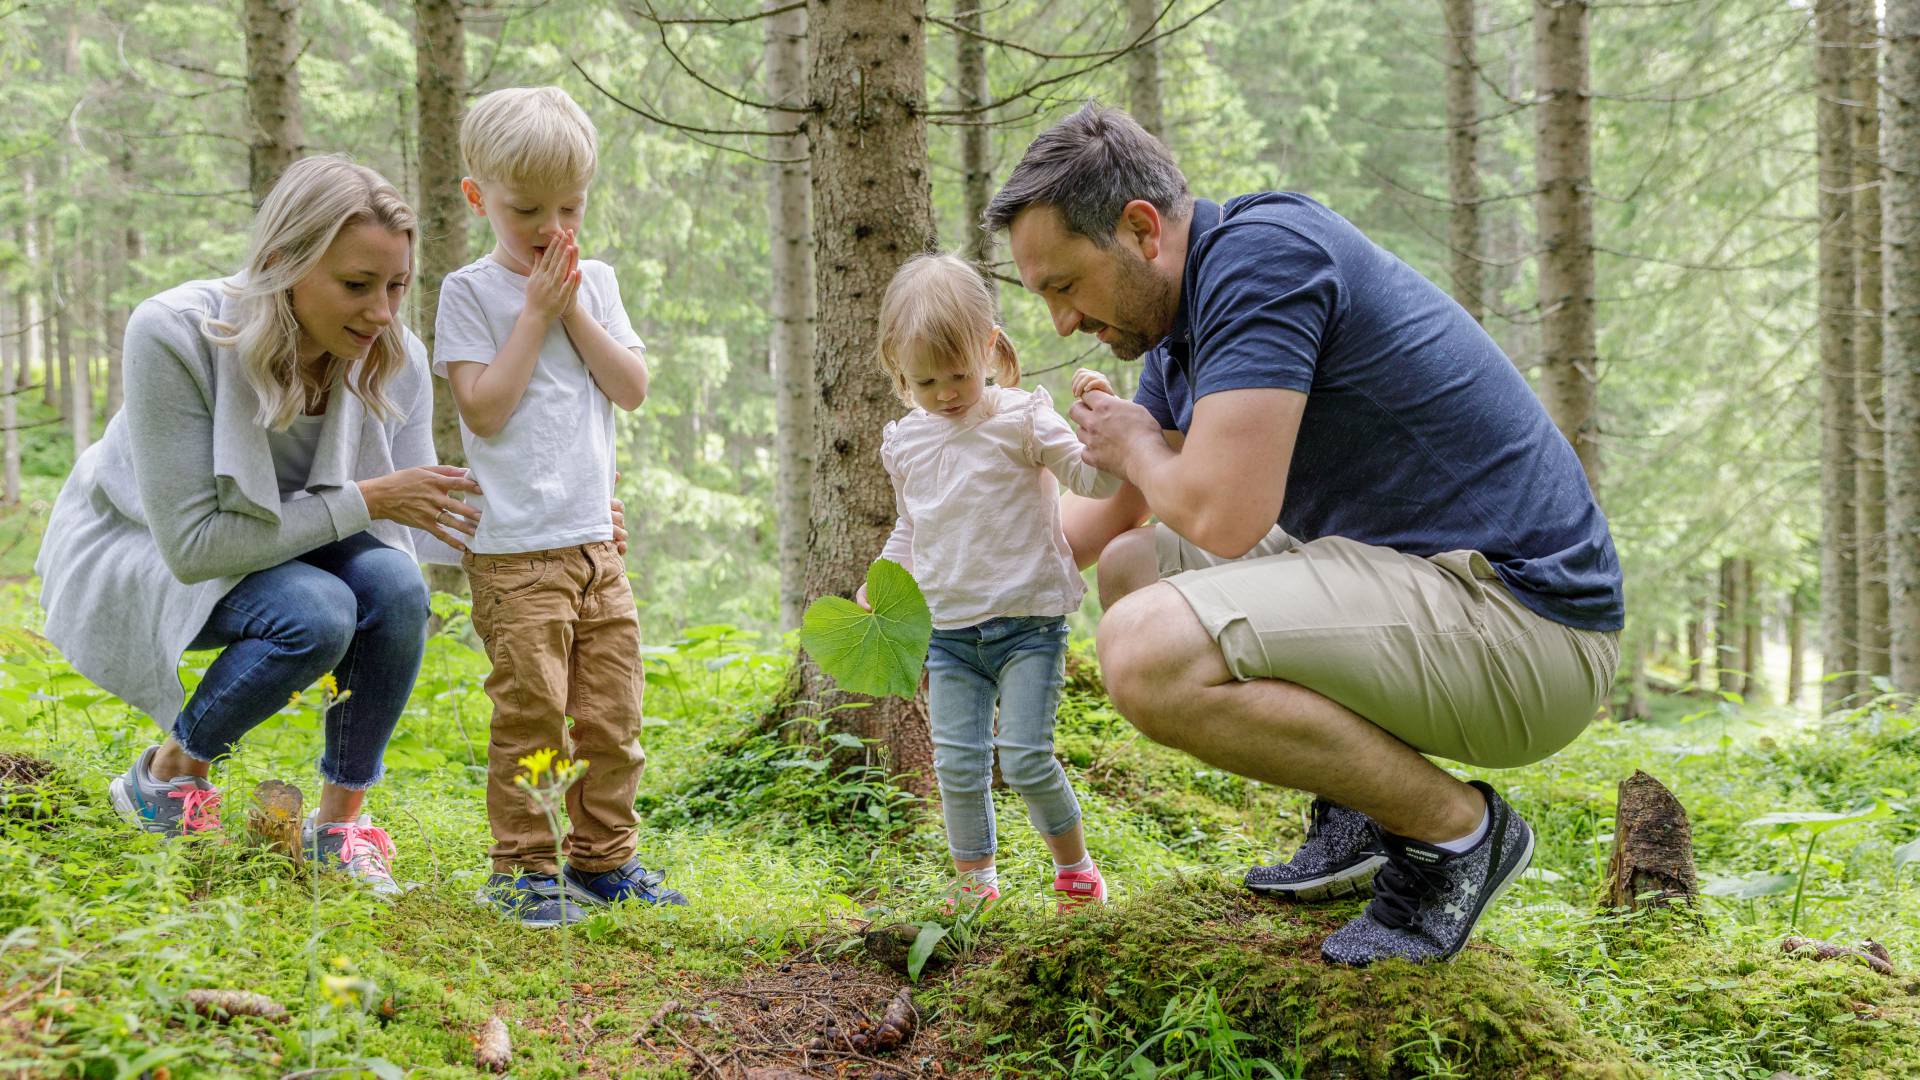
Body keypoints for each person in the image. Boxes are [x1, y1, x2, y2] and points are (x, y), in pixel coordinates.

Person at [985, 104, 1623, 965]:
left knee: (1142, 649)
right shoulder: (1179, 339)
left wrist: (1136, 440)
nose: (1061, 322)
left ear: (1140, 229)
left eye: (1065, 285)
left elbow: (1223, 514)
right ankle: (1366, 812)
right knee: (1139, 570)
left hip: (1527, 623)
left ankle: (1457, 838)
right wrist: (941, 576)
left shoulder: (1264, 258)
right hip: (1425, 585)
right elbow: (1107, 526)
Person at [36, 156, 481, 895]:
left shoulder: (388, 353)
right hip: (148, 547)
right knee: (318, 609)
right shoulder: (175, 333)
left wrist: (570, 524)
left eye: (397, 286)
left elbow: (422, 508)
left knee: (396, 583)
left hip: (291, 543)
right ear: (282, 263)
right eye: (356, 285)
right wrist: (369, 500)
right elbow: (196, 547)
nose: (382, 312)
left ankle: (339, 827)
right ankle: (168, 777)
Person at [434, 86, 682, 929]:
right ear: (478, 197)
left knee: (613, 717)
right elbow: (485, 409)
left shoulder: (596, 282)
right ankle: (522, 869)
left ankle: (605, 861)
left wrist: (571, 302)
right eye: (525, 208)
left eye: (568, 207)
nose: (549, 225)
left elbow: (632, 387)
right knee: (533, 714)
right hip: (513, 549)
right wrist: (536, 313)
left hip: (594, 543)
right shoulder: (468, 293)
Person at [862, 252, 1121, 911]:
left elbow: (1095, 481)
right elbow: (912, 528)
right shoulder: (908, 443)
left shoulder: (1022, 419)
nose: (947, 393)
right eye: (926, 381)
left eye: (958, 374)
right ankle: (976, 884)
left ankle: (1077, 871)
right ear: (898, 369)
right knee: (957, 766)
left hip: (1029, 624)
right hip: (949, 637)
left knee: (1026, 757)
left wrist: (1103, 420)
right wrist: (883, 581)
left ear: (987, 347)